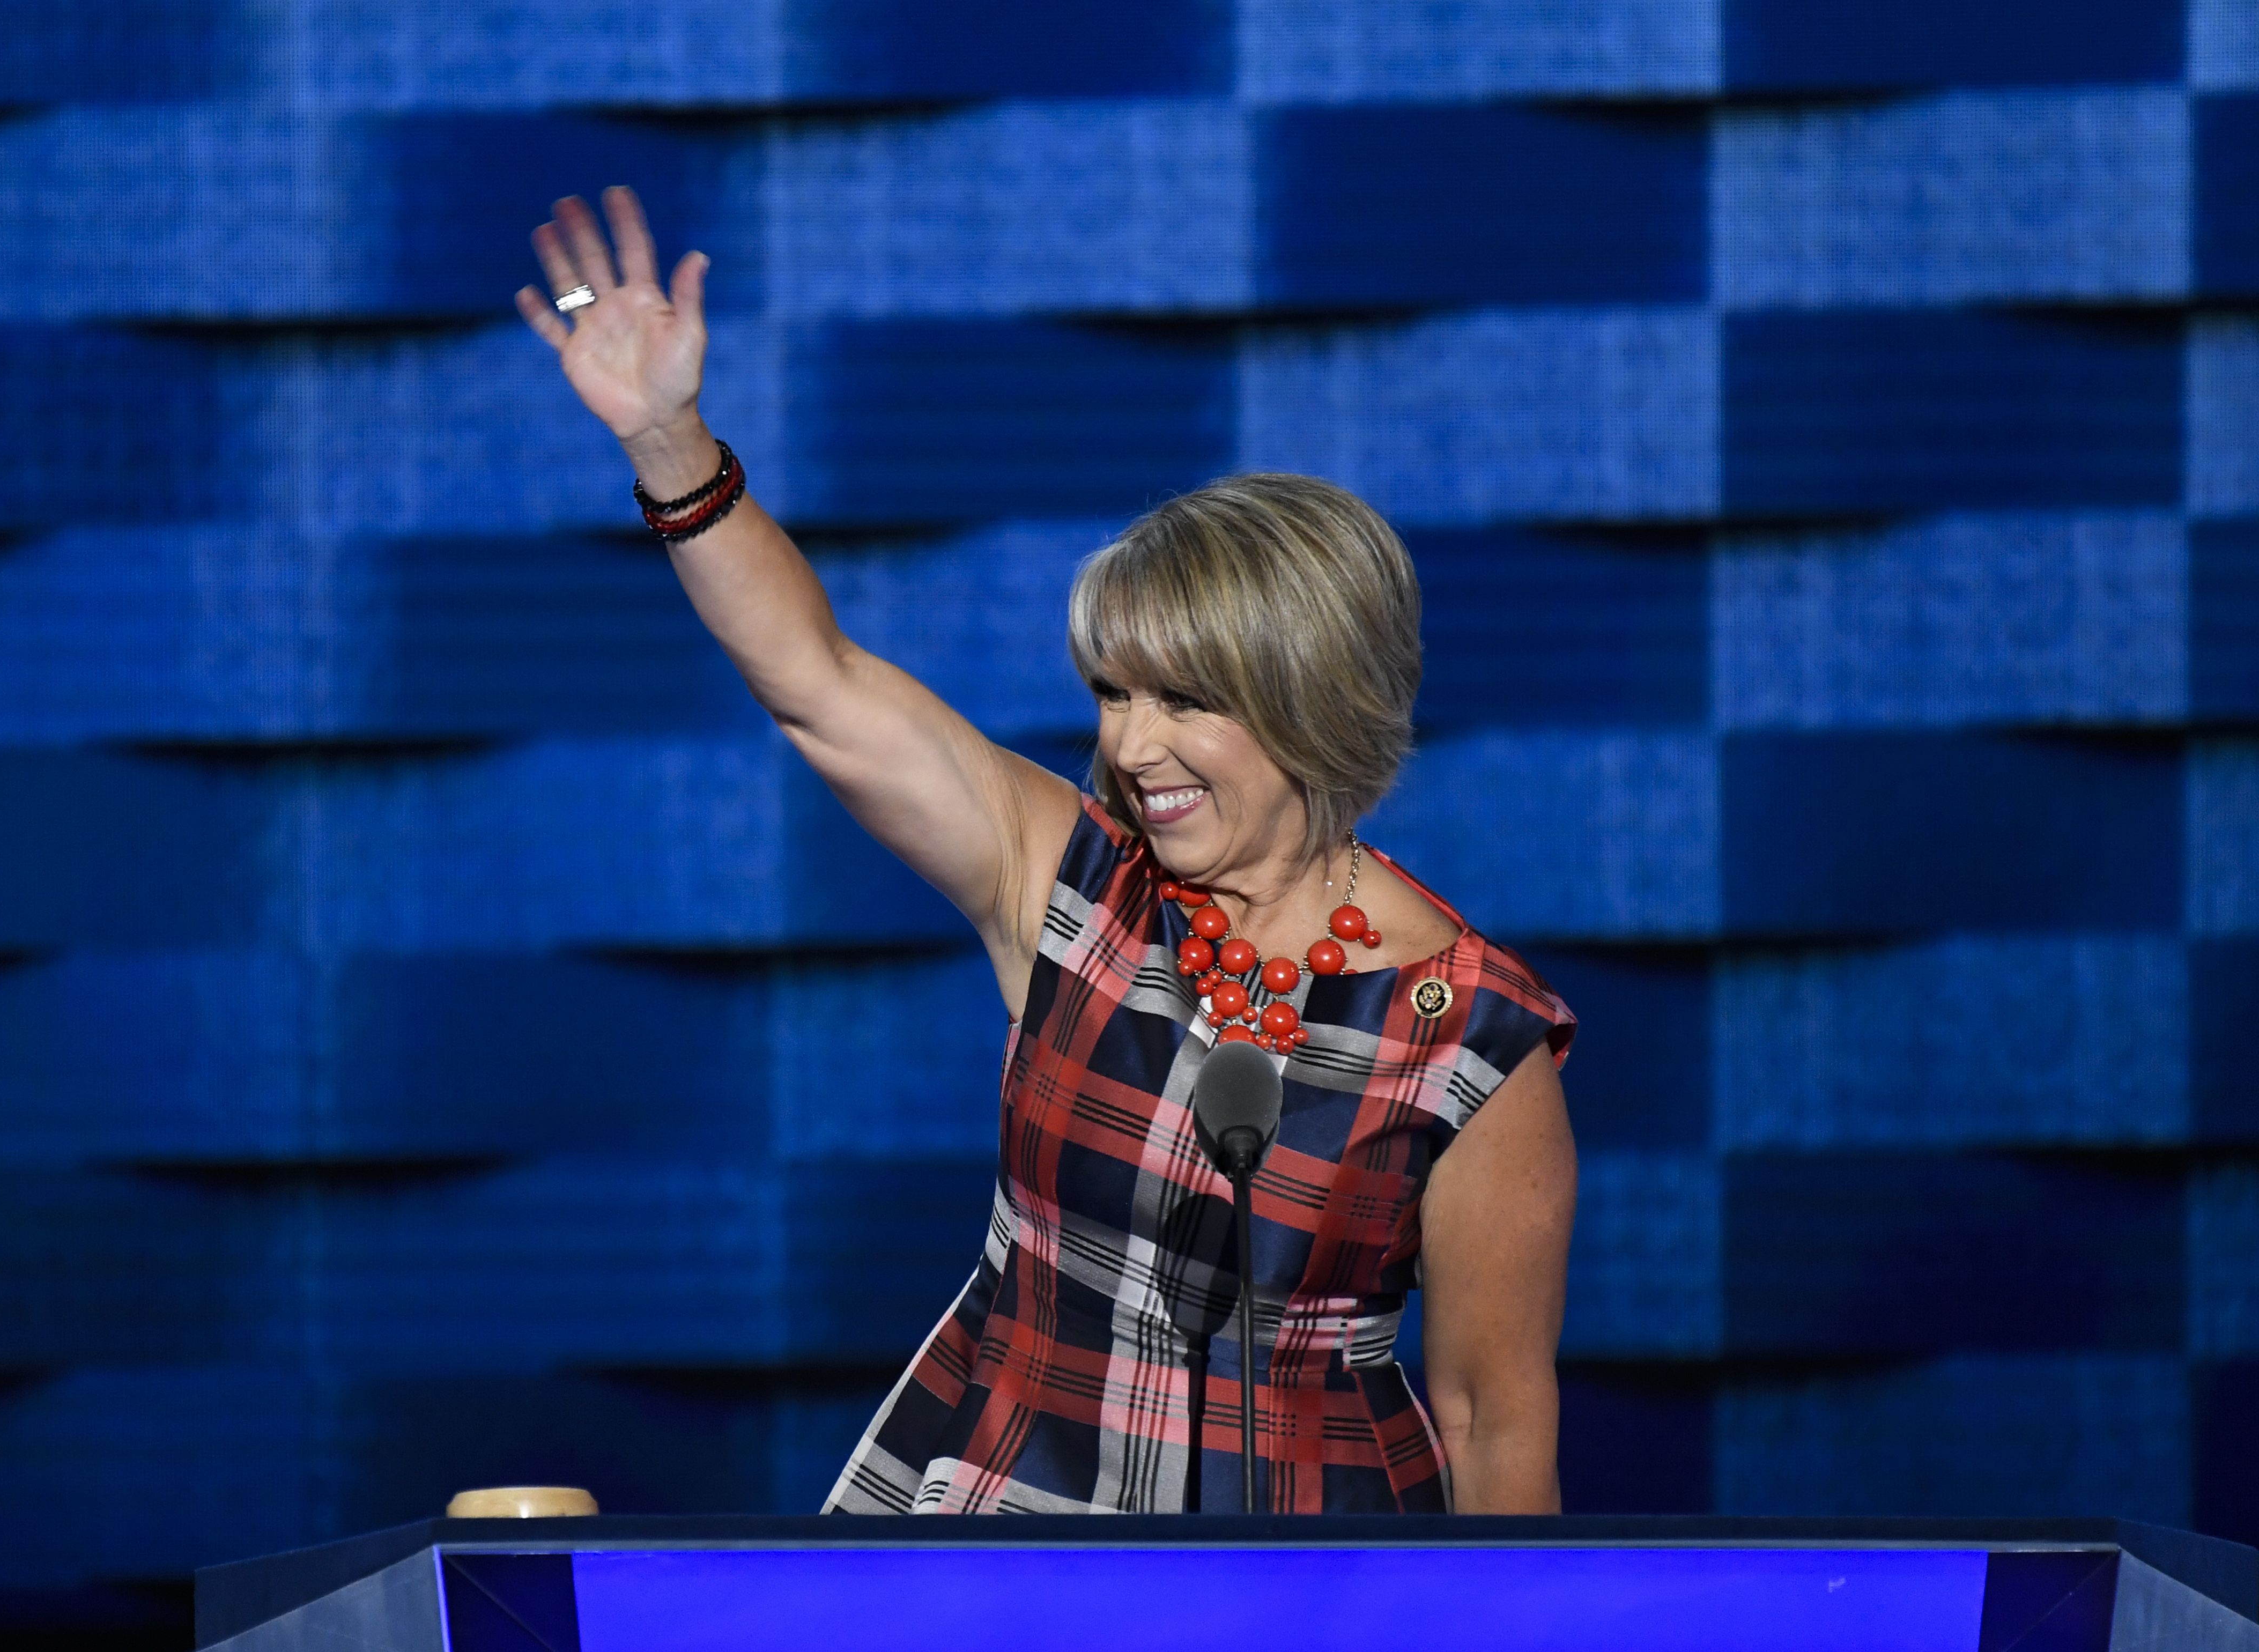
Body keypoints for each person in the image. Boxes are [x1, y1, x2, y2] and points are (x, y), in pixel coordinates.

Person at [516, 188, 1577, 1515]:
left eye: (1186, 701)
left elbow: (1491, 1420)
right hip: (1006, 1529)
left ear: (1316, 700)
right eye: (1113, 693)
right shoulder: (1075, 883)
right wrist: (668, 437)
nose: (1132, 747)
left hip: (1315, 1574)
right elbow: (816, 682)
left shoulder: (1474, 1034)